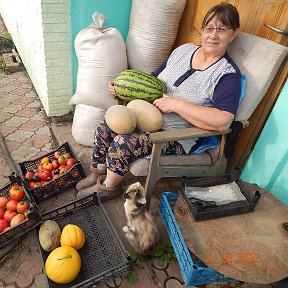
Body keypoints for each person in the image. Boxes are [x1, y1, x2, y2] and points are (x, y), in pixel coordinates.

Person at [76, 2, 241, 202]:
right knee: (105, 127)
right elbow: (153, 80)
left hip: (175, 136)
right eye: (209, 28)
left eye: (222, 29)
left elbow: (223, 120)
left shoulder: (227, 75)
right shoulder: (184, 51)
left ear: (233, 34)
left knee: (124, 142)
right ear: (203, 30)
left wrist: (176, 105)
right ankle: (98, 173)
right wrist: (121, 86)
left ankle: (108, 187)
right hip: (146, 116)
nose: (213, 35)